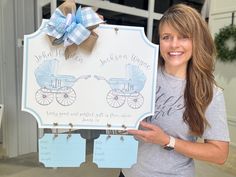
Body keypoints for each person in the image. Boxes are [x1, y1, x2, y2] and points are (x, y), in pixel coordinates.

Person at [120, 3, 230, 177]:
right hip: (127, 173)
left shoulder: (209, 92)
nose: (174, 44)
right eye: (166, 37)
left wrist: (167, 140)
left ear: (196, 41)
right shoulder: (143, 75)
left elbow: (219, 153)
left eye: (184, 37)